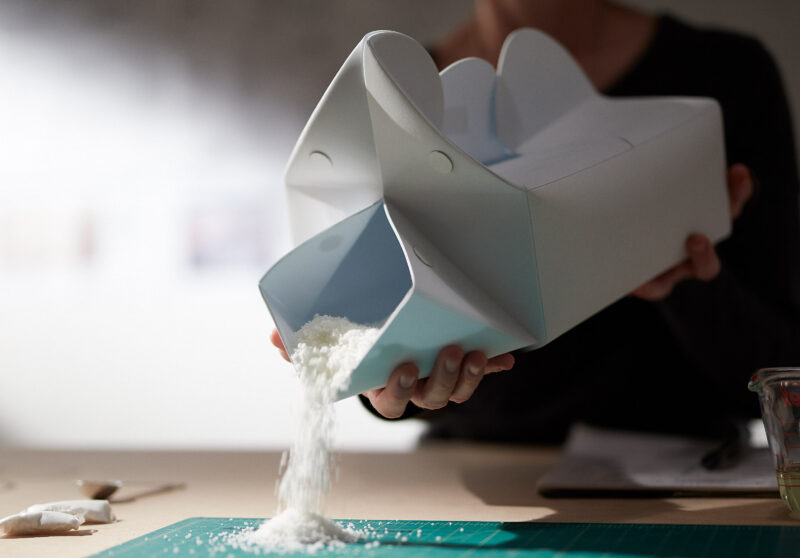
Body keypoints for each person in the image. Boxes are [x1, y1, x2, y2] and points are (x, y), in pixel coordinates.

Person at [273, 0, 800, 443]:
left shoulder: (724, 76)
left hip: (688, 479)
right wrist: (388, 383)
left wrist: (687, 279)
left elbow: (779, 375)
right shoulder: (387, 99)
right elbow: (392, 361)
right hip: (478, 497)